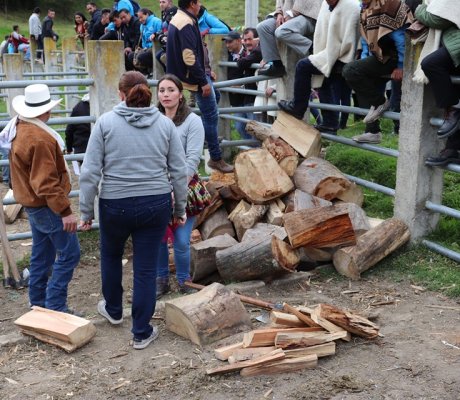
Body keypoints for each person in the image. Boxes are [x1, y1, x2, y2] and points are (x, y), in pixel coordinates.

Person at [79, 71, 187, 350]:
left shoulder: (104, 123)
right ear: (148, 92)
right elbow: (178, 170)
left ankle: (114, 309)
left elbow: (90, 171)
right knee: (146, 267)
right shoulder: (165, 124)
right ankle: (141, 331)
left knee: (111, 256)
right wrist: (180, 208)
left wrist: (85, 211)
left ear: (121, 93)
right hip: (156, 203)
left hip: (115, 203)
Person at [3, 84, 80, 312]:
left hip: (32, 203)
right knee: (69, 254)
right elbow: (45, 182)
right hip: (46, 206)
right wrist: (65, 211)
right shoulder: (40, 139)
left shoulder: (19, 127)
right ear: (45, 111)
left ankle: (38, 302)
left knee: (42, 253)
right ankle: (55, 305)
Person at [167, 0, 234, 173]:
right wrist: (202, 81)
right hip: (193, 78)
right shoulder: (186, 23)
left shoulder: (181, 18)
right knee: (211, 115)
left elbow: (196, 51)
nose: (201, 4)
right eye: (198, 2)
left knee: (215, 98)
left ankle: (204, 135)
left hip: (191, 75)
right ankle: (216, 158)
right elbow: (189, 56)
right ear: (192, 3)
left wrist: (206, 71)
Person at [277, 0, 360, 135]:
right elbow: (324, 31)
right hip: (329, 52)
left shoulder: (351, 6)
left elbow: (351, 35)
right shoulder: (326, 5)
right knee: (323, 82)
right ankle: (330, 123)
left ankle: (298, 107)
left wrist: (342, 55)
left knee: (303, 66)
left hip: (342, 55)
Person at [155, 74, 205, 298]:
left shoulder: (192, 121)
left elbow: (192, 159)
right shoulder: (153, 118)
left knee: (182, 241)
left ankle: (184, 280)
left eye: (170, 90)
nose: (165, 94)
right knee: (157, 237)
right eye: (162, 90)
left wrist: (177, 190)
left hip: (185, 187)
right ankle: (161, 279)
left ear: (180, 93)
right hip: (156, 187)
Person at [342, 0, 413, 144]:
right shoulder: (365, 8)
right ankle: (372, 132)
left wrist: (401, 66)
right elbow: (365, 40)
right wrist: (364, 64)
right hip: (379, 57)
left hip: (392, 57)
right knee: (362, 79)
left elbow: (401, 38)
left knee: (349, 70)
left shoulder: (390, 3)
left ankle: (381, 102)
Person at [415, 0, 460, 166]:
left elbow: (437, 19)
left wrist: (420, 8)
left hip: (455, 42)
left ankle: (452, 110)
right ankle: (452, 149)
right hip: (450, 42)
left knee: (430, 63)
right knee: (454, 86)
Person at [257, 0, 323, 77]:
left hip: (308, 16)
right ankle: (277, 66)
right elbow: (279, 2)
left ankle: (314, 51)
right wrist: (279, 13)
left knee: (282, 32)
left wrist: (291, 13)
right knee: (262, 27)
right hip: (287, 16)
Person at [224, 29, 262, 140]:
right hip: (236, 99)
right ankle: (251, 150)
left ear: (238, 41)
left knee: (254, 127)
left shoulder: (250, 52)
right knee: (239, 126)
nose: (227, 45)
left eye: (230, 42)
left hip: (250, 96)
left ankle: (256, 150)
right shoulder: (225, 55)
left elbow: (245, 66)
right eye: (226, 42)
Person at [135, 8, 162, 73]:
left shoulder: (156, 21)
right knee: (132, 55)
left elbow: (161, 33)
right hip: (147, 48)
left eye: (141, 17)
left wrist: (155, 35)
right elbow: (143, 40)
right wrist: (142, 48)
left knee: (141, 57)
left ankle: (151, 72)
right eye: (139, 18)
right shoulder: (142, 26)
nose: (140, 20)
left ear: (147, 14)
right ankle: (145, 73)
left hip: (156, 48)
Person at [155, 0, 178, 71]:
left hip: (176, 43)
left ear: (170, 2)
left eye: (163, 2)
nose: (161, 4)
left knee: (164, 56)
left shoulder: (175, 11)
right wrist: (157, 34)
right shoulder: (164, 13)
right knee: (158, 55)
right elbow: (164, 28)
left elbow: (173, 28)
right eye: (160, 2)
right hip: (167, 43)